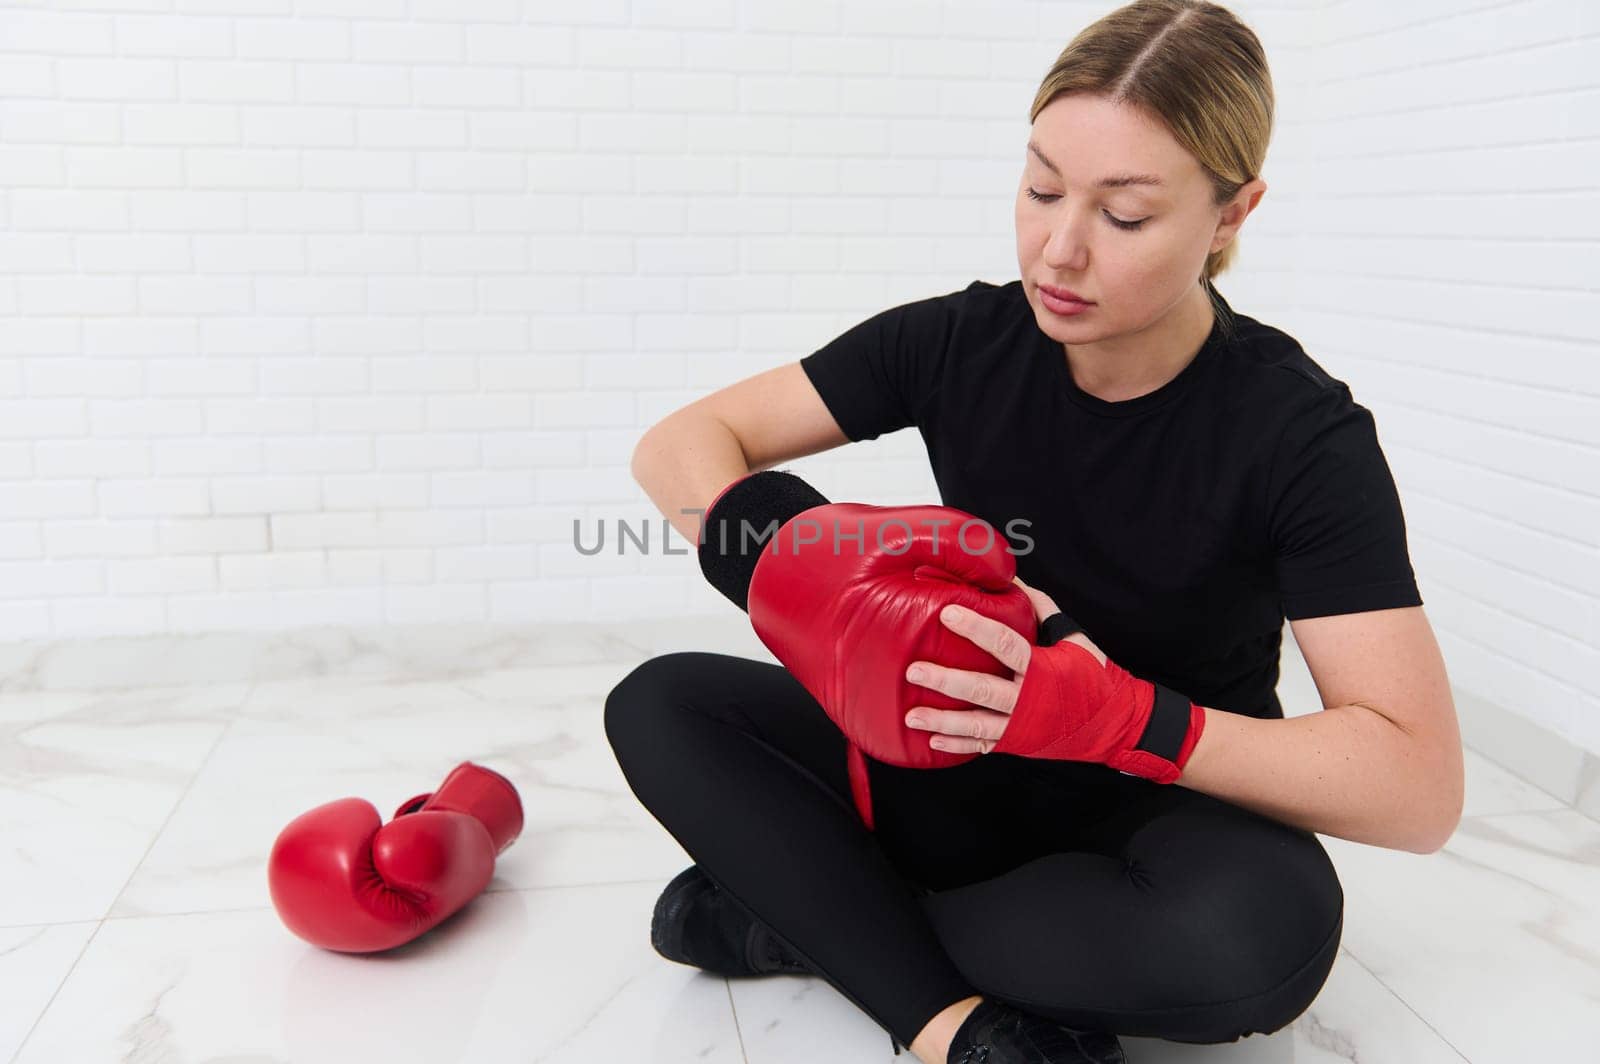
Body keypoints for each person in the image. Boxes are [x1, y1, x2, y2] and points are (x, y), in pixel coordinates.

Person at [607, 2, 1464, 1062]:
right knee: (661, 700)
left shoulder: (1299, 433)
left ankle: (820, 921)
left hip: (1154, 806)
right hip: (941, 765)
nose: (1057, 249)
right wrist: (809, 571)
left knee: (1247, 947)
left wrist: (1121, 718)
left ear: (1231, 214)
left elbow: (1416, 787)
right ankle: (946, 1022)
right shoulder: (958, 340)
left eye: (1125, 214)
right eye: (1041, 186)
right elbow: (683, 443)